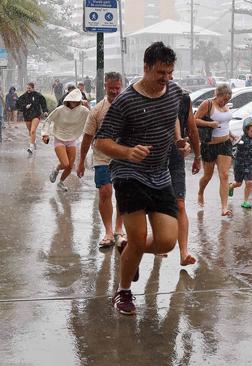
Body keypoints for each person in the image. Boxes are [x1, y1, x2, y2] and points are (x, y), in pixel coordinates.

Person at [95, 42, 184, 316]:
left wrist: (179, 141)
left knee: (167, 241)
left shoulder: (175, 92)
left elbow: (171, 119)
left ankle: (127, 251)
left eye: (169, 72)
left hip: (160, 174)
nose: (166, 79)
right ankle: (123, 292)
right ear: (146, 67)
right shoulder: (126, 101)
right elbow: (102, 142)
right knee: (138, 236)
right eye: (160, 72)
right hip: (128, 173)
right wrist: (128, 152)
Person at [77, 72, 127, 248]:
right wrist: (81, 161)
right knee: (105, 192)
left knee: (122, 192)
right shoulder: (97, 110)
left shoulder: (129, 106)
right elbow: (87, 137)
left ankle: (119, 228)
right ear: (105, 86)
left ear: (121, 86)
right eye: (111, 88)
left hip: (124, 156)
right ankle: (108, 231)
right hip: (102, 157)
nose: (114, 91)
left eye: (117, 88)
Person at [168, 90, 201, 265]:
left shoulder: (184, 99)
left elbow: (192, 128)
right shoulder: (150, 97)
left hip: (176, 159)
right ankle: (159, 243)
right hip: (153, 158)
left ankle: (183, 253)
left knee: (180, 203)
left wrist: (197, 156)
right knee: (157, 205)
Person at [195, 83, 236, 216]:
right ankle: (201, 192)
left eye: (227, 100)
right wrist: (209, 124)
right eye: (223, 99)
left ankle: (224, 208)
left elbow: (223, 122)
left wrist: (230, 133)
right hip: (209, 146)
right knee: (207, 176)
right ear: (217, 95)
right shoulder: (208, 104)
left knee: (224, 175)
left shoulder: (226, 106)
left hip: (225, 144)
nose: (225, 102)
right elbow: (194, 120)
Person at [41, 89, 90, 191]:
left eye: (76, 101)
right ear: (68, 100)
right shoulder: (60, 109)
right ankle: (56, 170)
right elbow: (48, 120)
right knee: (65, 163)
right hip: (59, 138)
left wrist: (88, 106)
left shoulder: (84, 111)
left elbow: (93, 119)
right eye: (72, 100)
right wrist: (45, 134)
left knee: (70, 166)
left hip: (72, 139)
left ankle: (61, 182)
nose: (74, 103)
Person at [16, 82, 48, 154]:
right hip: (27, 115)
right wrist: (25, 106)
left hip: (36, 115)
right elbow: (18, 105)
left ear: (33, 88)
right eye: (27, 88)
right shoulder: (23, 96)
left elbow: (43, 103)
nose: (28, 90)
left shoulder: (38, 95)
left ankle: (30, 148)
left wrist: (45, 111)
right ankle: (34, 141)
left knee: (33, 131)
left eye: (29, 88)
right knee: (30, 132)